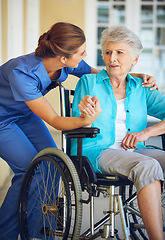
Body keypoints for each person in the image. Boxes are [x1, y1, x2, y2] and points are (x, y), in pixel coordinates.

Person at [0, 21, 157, 240]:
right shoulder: (22, 73)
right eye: (82, 53)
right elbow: (55, 120)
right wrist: (85, 120)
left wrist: (136, 76)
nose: (85, 57)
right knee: (29, 169)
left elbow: (106, 76)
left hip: (25, 114)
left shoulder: (68, 61)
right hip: (2, 119)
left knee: (54, 163)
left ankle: (39, 231)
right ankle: (5, 233)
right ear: (63, 58)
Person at [71, 25, 165, 240]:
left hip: (137, 150)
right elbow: (80, 120)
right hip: (99, 150)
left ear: (135, 60)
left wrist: (147, 132)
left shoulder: (142, 87)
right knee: (147, 166)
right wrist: (86, 111)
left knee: (148, 162)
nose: (112, 58)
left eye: (119, 52)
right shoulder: (89, 82)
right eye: (107, 52)